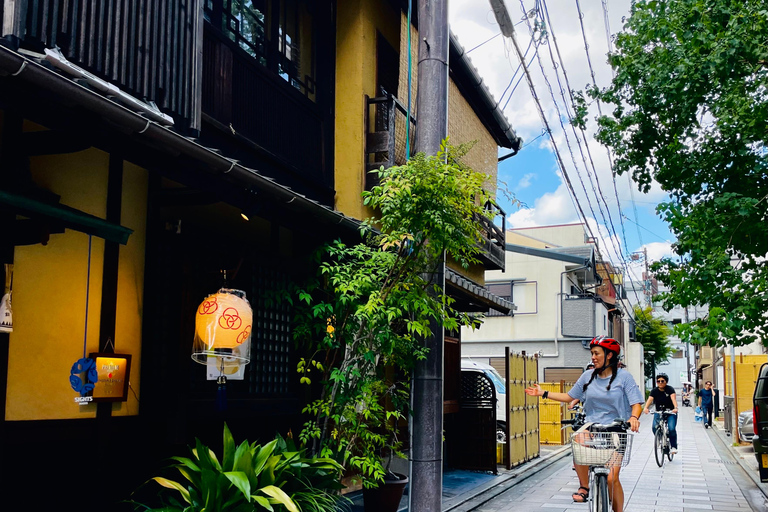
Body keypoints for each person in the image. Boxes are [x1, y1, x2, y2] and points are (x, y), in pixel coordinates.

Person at [525, 337, 643, 512]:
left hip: (617, 430)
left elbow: (636, 404)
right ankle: (584, 487)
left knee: (611, 478)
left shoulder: (624, 377)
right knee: (578, 440)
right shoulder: (587, 376)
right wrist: (543, 393)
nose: (593, 357)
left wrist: (633, 418)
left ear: (609, 355)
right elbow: (569, 397)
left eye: (596, 353)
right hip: (592, 427)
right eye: (592, 353)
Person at [643, 373, 678, 454]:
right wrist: (645, 408)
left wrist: (675, 408)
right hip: (659, 412)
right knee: (654, 427)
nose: (660, 383)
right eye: (658, 381)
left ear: (666, 382)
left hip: (670, 412)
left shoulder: (670, 389)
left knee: (671, 428)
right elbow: (650, 399)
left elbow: (673, 399)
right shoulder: (654, 391)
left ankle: (673, 446)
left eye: (662, 381)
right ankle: (660, 438)